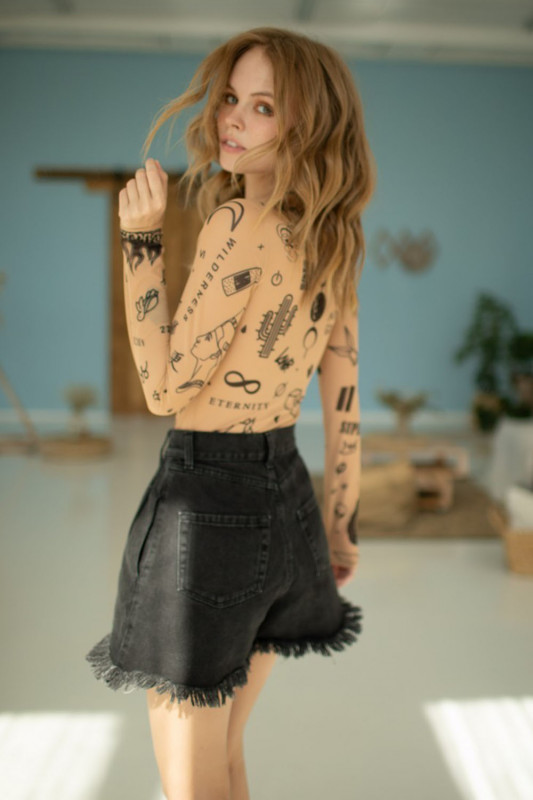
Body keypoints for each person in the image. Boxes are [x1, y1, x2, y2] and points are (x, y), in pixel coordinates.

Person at [86, 26, 376, 800]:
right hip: (287, 502)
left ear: (307, 126)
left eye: (262, 107)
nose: (231, 119)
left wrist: (140, 240)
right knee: (225, 761)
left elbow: (163, 389)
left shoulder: (238, 224)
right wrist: (339, 527)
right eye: (228, 98)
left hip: (206, 510)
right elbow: (344, 408)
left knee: (192, 785)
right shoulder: (336, 242)